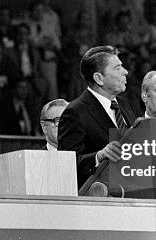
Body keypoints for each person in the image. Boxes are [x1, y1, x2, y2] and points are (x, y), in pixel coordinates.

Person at [58, 46, 138, 190]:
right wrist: (99, 156)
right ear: (99, 78)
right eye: (117, 68)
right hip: (100, 198)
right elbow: (65, 165)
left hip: (134, 189)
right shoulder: (75, 112)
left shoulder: (125, 104)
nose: (125, 72)